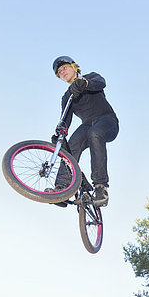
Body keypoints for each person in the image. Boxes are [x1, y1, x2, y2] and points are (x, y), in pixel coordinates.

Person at [48, 56, 119, 207]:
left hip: (107, 121)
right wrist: (61, 132)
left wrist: (84, 84)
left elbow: (101, 83)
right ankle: (62, 190)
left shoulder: (91, 77)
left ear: (74, 67)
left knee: (95, 133)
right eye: (59, 72)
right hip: (87, 125)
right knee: (71, 146)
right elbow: (65, 118)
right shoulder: (67, 96)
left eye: (65, 68)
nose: (63, 72)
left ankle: (101, 187)